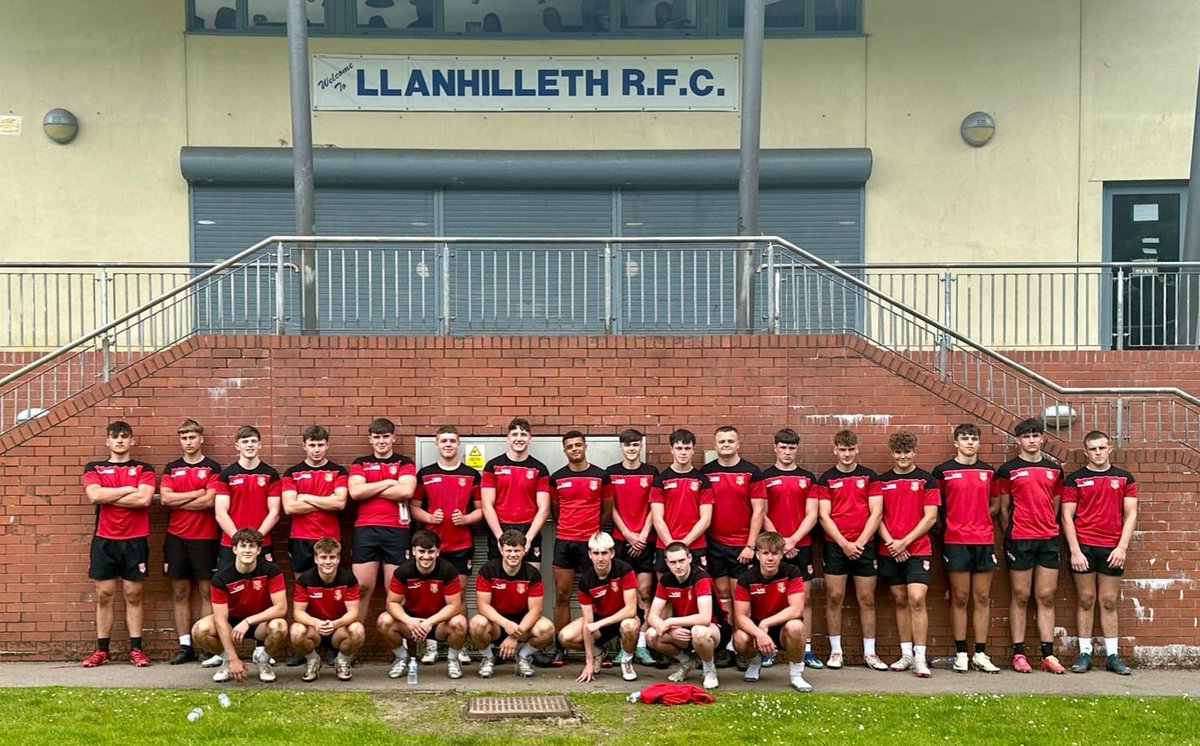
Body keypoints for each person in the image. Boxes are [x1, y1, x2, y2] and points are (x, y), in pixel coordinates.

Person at [1061, 430, 1138, 675]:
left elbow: (1131, 514)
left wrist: (1122, 547)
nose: (1097, 452)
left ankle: (1113, 656)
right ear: (1086, 452)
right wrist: (1074, 551)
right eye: (1093, 449)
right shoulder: (1075, 479)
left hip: (1112, 548)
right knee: (1085, 599)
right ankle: (1084, 653)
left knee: (1108, 601)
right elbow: (1066, 516)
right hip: (1083, 547)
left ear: (1109, 448)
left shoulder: (1124, 478)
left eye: (1101, 448)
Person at [81, 421, 157, 668]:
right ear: (108, 441)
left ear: (132, 440)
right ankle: (102, 650)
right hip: (105, 539)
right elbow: (95, 495)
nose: (120, 440)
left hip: (135, 540)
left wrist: (110, 494)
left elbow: (144, 499)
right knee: (104, 595)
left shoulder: (144, 468)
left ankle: (136, 649)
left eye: (125, 436)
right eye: (115, 437)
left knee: (133, 594)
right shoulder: (95, 467)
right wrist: (127, 489)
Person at [996, 417, 1066, 674]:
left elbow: (1056, 504)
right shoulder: (1007, 470)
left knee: (1046, 596)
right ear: (1018, 440)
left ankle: (1048, 655)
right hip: (1019, 539)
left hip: (1048, 538)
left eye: (1036, 435)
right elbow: (1003, 510)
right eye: (1026, 436)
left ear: (1042, 439)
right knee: (1021, 596)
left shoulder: (1055, 470)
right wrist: (1012, 536)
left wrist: (1047, 524)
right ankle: (1019, 654)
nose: (1032, 440)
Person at [932, 423, 1002, 674]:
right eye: (965, 438)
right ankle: (961, 652)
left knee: (981, 597)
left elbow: (995, 505)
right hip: (955, 541)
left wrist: (979, 516)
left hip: (983, 540)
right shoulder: (943, 471)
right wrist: (951, 523)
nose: (970, 442)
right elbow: (936, 506)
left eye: (974, 438)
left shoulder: (988, 471)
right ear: (956, 442)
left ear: (979, 443)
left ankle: (980, 654)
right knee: (959, 598)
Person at [410, 425, 481, 665]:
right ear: (436, 444)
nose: (448, 444)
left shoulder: (472, 475)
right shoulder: (425, 474)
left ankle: (458, 646)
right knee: (433, 598)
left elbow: (482, 510)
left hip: (461, 545)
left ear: (458, 443)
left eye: (452, 440)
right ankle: (431, 646)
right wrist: (429, 518)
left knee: (457, 596)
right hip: (431, 547)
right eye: (444, 441)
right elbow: (413, 508)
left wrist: (467, 519)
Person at [815, 429, 886, 670]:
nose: (847, 454)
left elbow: (876, 512)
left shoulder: (870, 476)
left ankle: (870, 653)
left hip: (864, 546)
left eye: (850, 449)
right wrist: (844, 544)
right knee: (834, 597)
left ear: (857, 449)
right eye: (842, 450)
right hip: (836, 547)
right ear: (835, 450)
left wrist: (860, 543)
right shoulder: (826, 478)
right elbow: (823, 515)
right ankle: (836, 652)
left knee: (867, 599)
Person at [872, 430, 940, 678]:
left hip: (917, 550)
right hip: (889, 549)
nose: (903, 456)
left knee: (916, 599)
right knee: (900, 600)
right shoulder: (881, 481)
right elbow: (876, 516)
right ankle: (906, 655)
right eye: (898, 452)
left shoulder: (926, 480)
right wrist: (892, 543)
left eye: (907, 452)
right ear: (892, 454)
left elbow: (930, 517)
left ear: (914, 452)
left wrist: (905, 543)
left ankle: (921, 657)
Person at [753, 427, 822, 669]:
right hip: (773, 547)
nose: (787, 452)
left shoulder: (808, 478)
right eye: (783, 447)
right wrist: (781, 543)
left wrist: (793, 540)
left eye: (791, 447)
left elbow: (812, 514)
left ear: (797, 449)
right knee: (769, 600)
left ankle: (807, 650)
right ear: (775, 448)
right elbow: (761, 513)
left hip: (801, 546)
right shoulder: (764, 477)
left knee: (805, 600)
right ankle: (768, 649)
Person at [546, 431, 612, 666]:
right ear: (564, 451)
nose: (574, 449)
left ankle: (597, 647)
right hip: (564, 541)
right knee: (562, 595)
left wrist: (593, 531)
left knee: (597, 596)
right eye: (570, 446)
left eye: (578, 445)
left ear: (585, 447)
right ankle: (560, 648)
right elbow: (554, 511)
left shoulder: (600, 476)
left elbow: (606, 510)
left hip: (591, 543)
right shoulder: (557, 478)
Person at [159, 418, 222, 665]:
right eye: (184, 438)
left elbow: (209, 502)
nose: (188, 442)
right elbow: (165, 499)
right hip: (176, 537)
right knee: (180, 592)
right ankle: (185, 645)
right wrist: (196, 493)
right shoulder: (171, 468)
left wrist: (180, 498)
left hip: (205, 537)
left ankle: (206, 644)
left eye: (192, 437)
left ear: (201, 439)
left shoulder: (213, 468)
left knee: (207, 591)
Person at [700, 425, 764, 667]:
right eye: (721, 441)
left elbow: (759, 511)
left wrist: (751, 546)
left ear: (738, 444)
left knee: (741, 599)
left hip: (742, 547)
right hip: (715, 545)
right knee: (723, 597)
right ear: (715, 445)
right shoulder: (705, 472)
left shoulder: (751, 472)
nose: (726, 444)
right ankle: (725, 645)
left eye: (730, 441)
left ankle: (742, 646)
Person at [193, 528, 289, 683]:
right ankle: (227, 661)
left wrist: (248, 621)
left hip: (259, 623)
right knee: (200, 630)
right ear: (234, 549)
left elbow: (281, 608)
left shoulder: (272, 570)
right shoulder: (221, 577)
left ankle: (263, 661)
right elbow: (220, 620)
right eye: (243, 546)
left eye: (252, 546)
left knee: (280, 626)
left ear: (258, 550)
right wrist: (233, 658)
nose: (247, 550)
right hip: (232, 623)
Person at [348, 417, 417, 633]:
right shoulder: (360, 462)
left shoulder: (404, 463)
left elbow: (406, 491)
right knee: (362, 589)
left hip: (397, 531)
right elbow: (356, 492)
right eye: (377, 437)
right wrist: (389, 482)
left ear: (393, 438)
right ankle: (352, 644)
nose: (381, 441)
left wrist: (371, 488)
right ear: (370, 439)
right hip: (366, 530)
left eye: (385, 436)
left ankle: (400, 648)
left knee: (395, 589)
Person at [378, 530, 470, 679]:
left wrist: (429, 622)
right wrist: (410, 621)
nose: (426, 556)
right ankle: (402, 658)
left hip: (438, 623)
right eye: (421, 551)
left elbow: (454, 606)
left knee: (460, 622)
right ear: (414, 551)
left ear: (437, 552)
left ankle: (453, 660)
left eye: (431, 551)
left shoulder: (448, 570)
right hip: (412, 624)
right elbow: (391, 603)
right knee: (384, 620)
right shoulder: (403, 571)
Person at [468, 529, 556, 678]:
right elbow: (482, 606)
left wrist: (515, 636)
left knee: (547, 629)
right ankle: (488, 657)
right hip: (496, 623)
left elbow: (536, 611)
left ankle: (523, 656)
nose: (513, 554)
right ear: (501, 550)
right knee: (476, 624)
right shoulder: (487, 570)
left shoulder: (532, 574)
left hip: (522, 625)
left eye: (517, 550)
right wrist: (506, 624)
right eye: (509, 550)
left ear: (524, 551)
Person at [731, 532, 812, 692]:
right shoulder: (746, 578)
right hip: (757, 632)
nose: (770, 558)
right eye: (765, 553)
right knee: (739, 638)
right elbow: (740, 617)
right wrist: (759, 633)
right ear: (757, 555)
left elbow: (796, 609)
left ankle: (796, 675)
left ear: (782, 555)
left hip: (782, 628)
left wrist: (766, 623)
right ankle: (755, 662)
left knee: (796, 626)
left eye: (775, 553)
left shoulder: (792, 572)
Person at [606, 428, 659, 666]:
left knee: (645, 593)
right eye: (627, 445)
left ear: (640, 447)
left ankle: (641, 645)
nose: (631, 449)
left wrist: (643, 534)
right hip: (620, 540)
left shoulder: (651, 473)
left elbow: (653, 507)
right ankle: (623, 645)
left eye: (636, 445)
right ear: (621, 447)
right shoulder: (611, 473)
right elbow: (611, 508)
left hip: (646, 541)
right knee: (622, 596)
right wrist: (628, 535)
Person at [645, 541, 728, 690]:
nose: (678, 566)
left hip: (714, 629)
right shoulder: (666, 579)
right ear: (666, 563)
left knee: (698, 631)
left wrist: (670, 622)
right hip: (684, 629)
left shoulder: (701, 577)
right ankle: (687, 661)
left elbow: (705, 618)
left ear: (689, 558)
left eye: (681, 561)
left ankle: (709, 669)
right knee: (651, 635)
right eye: (673, 562)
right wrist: (670, 630)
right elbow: (652, 617)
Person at [559, 532, 640, 682]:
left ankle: (627, 661)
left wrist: (599, 623)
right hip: (599, 623)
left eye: (604, 553)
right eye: (596, 553)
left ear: (612, 553)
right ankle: (598, 653)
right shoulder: (586, 580)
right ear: (590, 554)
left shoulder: (625, 570)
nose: (600, 558)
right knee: (565, 637)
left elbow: (630, 610)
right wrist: (588, 662)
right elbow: (588, 622)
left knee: (630, 626)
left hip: (622, 618)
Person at [289, 537, 365, 682]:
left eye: (332, 557)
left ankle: (342, 662)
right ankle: (313, 661)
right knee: (296, 630)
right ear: (316, 559)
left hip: (338, 630)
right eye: (323, 557)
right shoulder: (305, 579)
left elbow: (353, 612)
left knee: (358, 630)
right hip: (315, 630)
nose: (328, 561)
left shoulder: (348, 578)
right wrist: (316, 623)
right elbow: (298, 613)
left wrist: (335, 624)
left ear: (338, 559)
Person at [480, 417, 551, 566]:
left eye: (524, 435)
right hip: (500, 528)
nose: (519, 439)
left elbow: (544, 508)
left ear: (530, 439)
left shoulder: (540, 468)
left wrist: (529, 539)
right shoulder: (493, 466)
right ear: (508, 438)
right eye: (515, 434)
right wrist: (500, 537)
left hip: (529, 528)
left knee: (531, 579)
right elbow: (487, 505)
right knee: (498, 579)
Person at [214, 425, 281, 571]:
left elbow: (274, 512)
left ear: (259, 444)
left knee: (262, 587)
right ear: (237, 446)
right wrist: (239, 541)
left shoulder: (271, 474)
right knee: (228, 587)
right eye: (245, 441)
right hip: (231, 544)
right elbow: (220, 512)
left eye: (253, 441)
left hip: (262, 542)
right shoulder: (227, 475)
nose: (249, 445)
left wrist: (256, 540)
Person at [649, 429, 714, 574]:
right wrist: (672, 545)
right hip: (665, 545)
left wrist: (683, 544)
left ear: (693, 450)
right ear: (671, 450)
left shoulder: (702, 481)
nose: (683, 452)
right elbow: (657, 518)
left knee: (698, 588)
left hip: (695, 545)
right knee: (665, 590)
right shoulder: (660, 480)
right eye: (679, 448)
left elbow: (706, 519)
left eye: (687, 448)